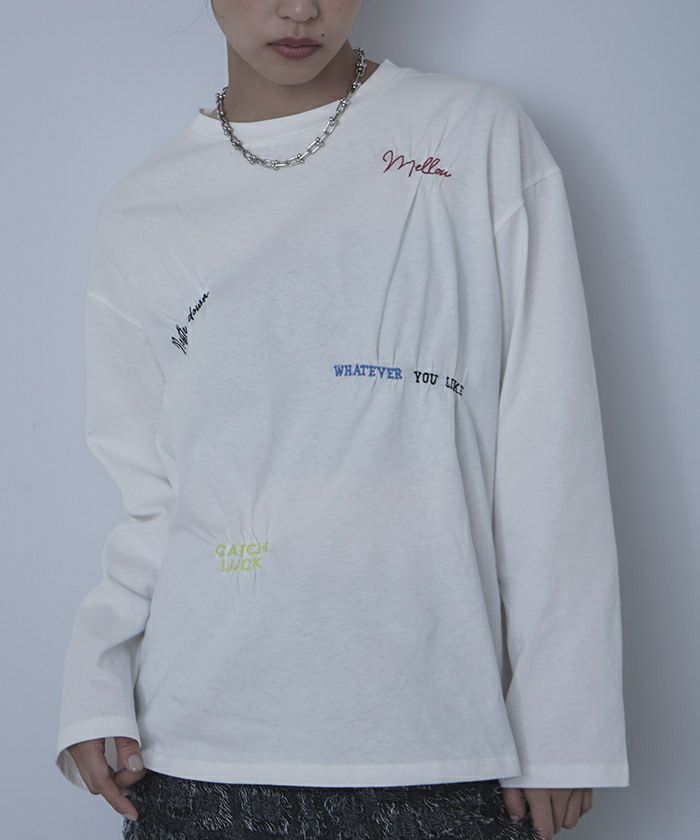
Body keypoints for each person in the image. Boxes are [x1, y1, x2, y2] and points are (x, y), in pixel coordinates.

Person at [54, 2, 630, 838]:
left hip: (438, 750)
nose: (300, 8)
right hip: (194, 758)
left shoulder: (473, 133)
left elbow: (552, 442)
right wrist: (96, 683)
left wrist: (567, 720)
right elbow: (154, 496)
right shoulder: (144, 208)